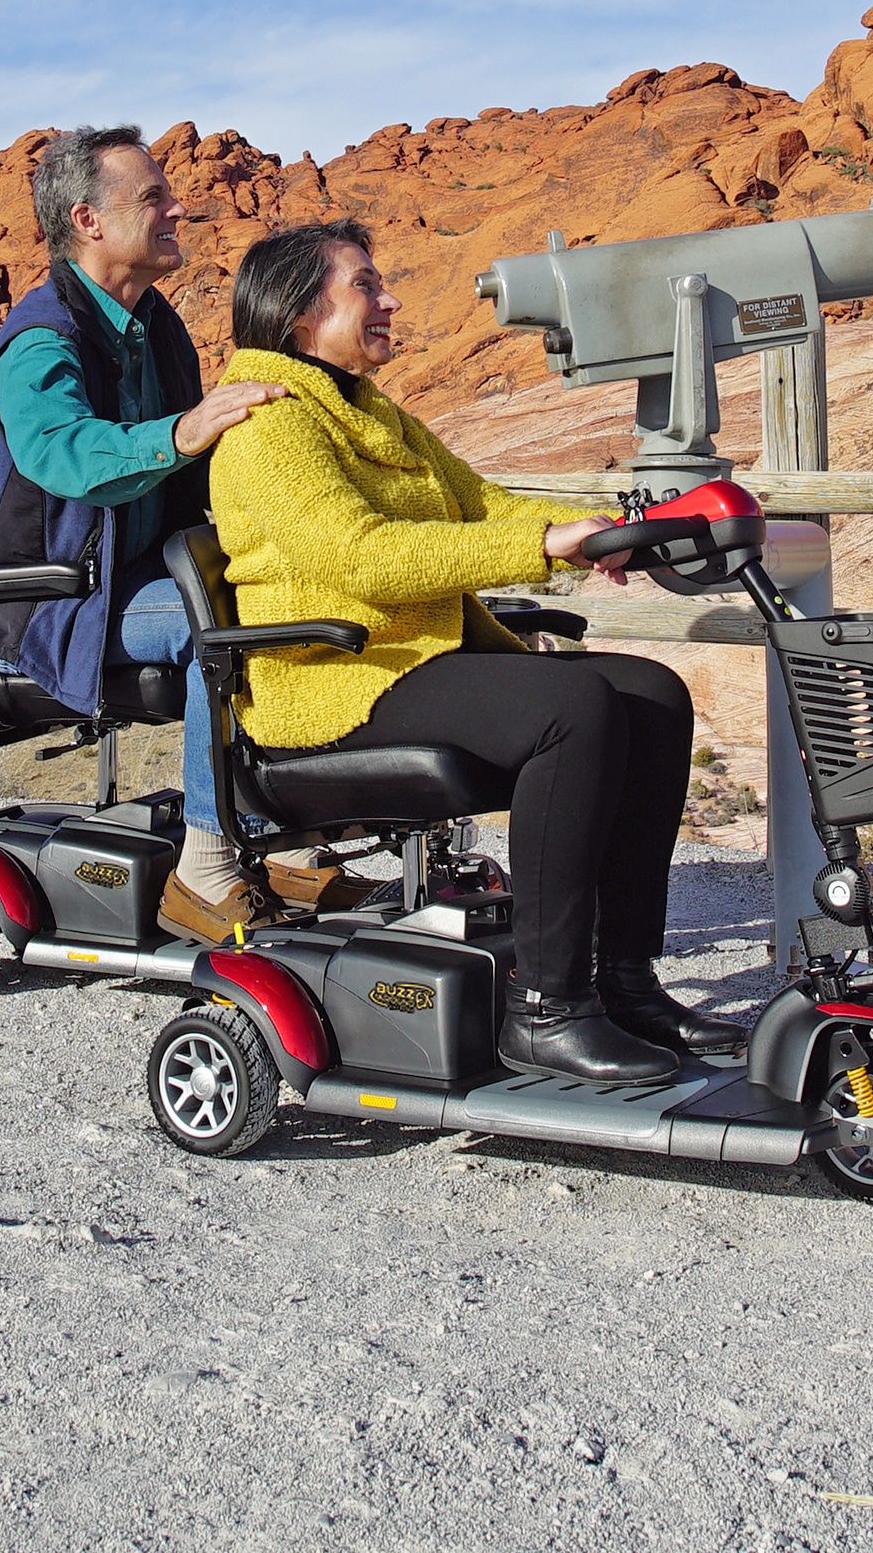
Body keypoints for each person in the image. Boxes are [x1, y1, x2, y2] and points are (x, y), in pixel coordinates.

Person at [207, 219, 745, 1086]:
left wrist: (601, 535)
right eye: (365, 285)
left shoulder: (368, 407)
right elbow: (360, 557)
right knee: (572, 710)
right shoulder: (270, 426)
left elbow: (478, 501)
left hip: (410, 661)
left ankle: (626, 978)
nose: (388, 301)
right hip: (332, 680)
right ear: (298, 311)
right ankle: (550, 1008)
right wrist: (541, 545)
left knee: (651, 693)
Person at [0, 123, 302, 946]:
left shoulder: (155, 327)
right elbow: (62, 453)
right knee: (223, 627)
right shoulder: (44, 339)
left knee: (291, 593)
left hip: (131, 580)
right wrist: (180, 433)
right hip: (47, 603)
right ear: (88, 220)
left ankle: (282, 841)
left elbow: (198, 464)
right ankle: (207, 872)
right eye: (153, 196)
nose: (178, 206)